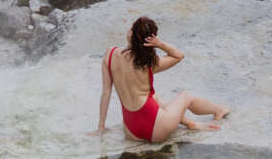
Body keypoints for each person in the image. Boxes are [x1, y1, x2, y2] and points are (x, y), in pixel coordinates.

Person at [96, 15, 229, 144]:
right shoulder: (149, 64)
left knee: (155, 99)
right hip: (156, 131)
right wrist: (160, 44)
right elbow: (179, 56)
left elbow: (106, 93)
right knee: (185, 96)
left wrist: (101, 127)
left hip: (131, 131)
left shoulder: (110, 54)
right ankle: (218, 110)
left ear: (131, 34)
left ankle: (190, 123)